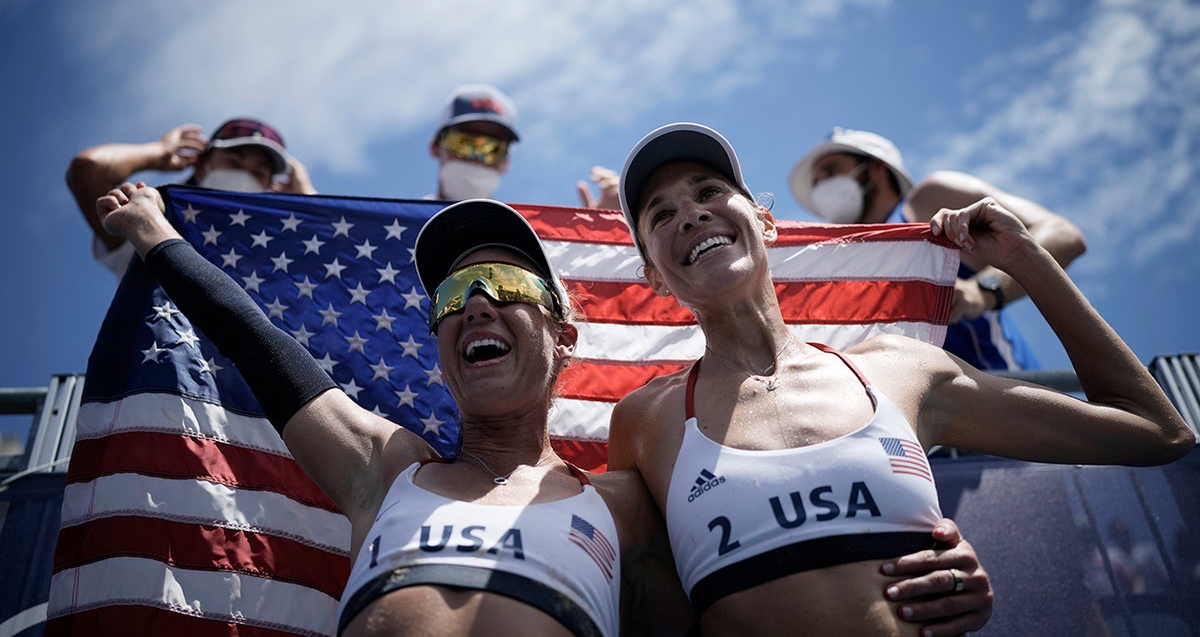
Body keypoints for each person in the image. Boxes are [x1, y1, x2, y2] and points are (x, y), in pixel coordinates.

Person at [97, 184, 997, 636]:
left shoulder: (623, 504)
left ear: (564, 337)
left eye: (504, 284)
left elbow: (756, 593)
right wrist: (158, 236)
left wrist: (924, 564)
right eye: (453, 296)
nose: (475, 302)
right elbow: (255, 341)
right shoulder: (384, 466)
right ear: (441, 348)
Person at [613, 122, 1193, 636]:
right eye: (661, 214)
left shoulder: (899, 368)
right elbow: (644, 605)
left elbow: (1154, 430)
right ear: (654, 278)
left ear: (766, 225)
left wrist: (1022, 258)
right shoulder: (643, 422)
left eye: (710, 192)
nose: (690, 213)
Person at [787, 128, 1088, 370]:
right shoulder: (843, 262)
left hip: (1018, 423)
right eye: (816, 182)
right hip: (931, 442)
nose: (822, 186)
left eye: (831, 170)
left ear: (875, 169)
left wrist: (980, 291)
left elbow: (1063, 235)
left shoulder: (928, 202)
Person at [67, 118, 316, 277]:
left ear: (270, 187)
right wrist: (157, 153)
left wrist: (307, 198)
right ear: (201, 166)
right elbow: (89, 167)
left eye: (258, 172)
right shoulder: (151, 221)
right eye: (233, 161)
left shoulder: (277, 248)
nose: (244, 174)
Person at [428, 84, 520, 201]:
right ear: (436, 145)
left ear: (506, 163)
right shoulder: (400, 218)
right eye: (463, 143)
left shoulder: (516, 220)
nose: (476, 160)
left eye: (493, 150)